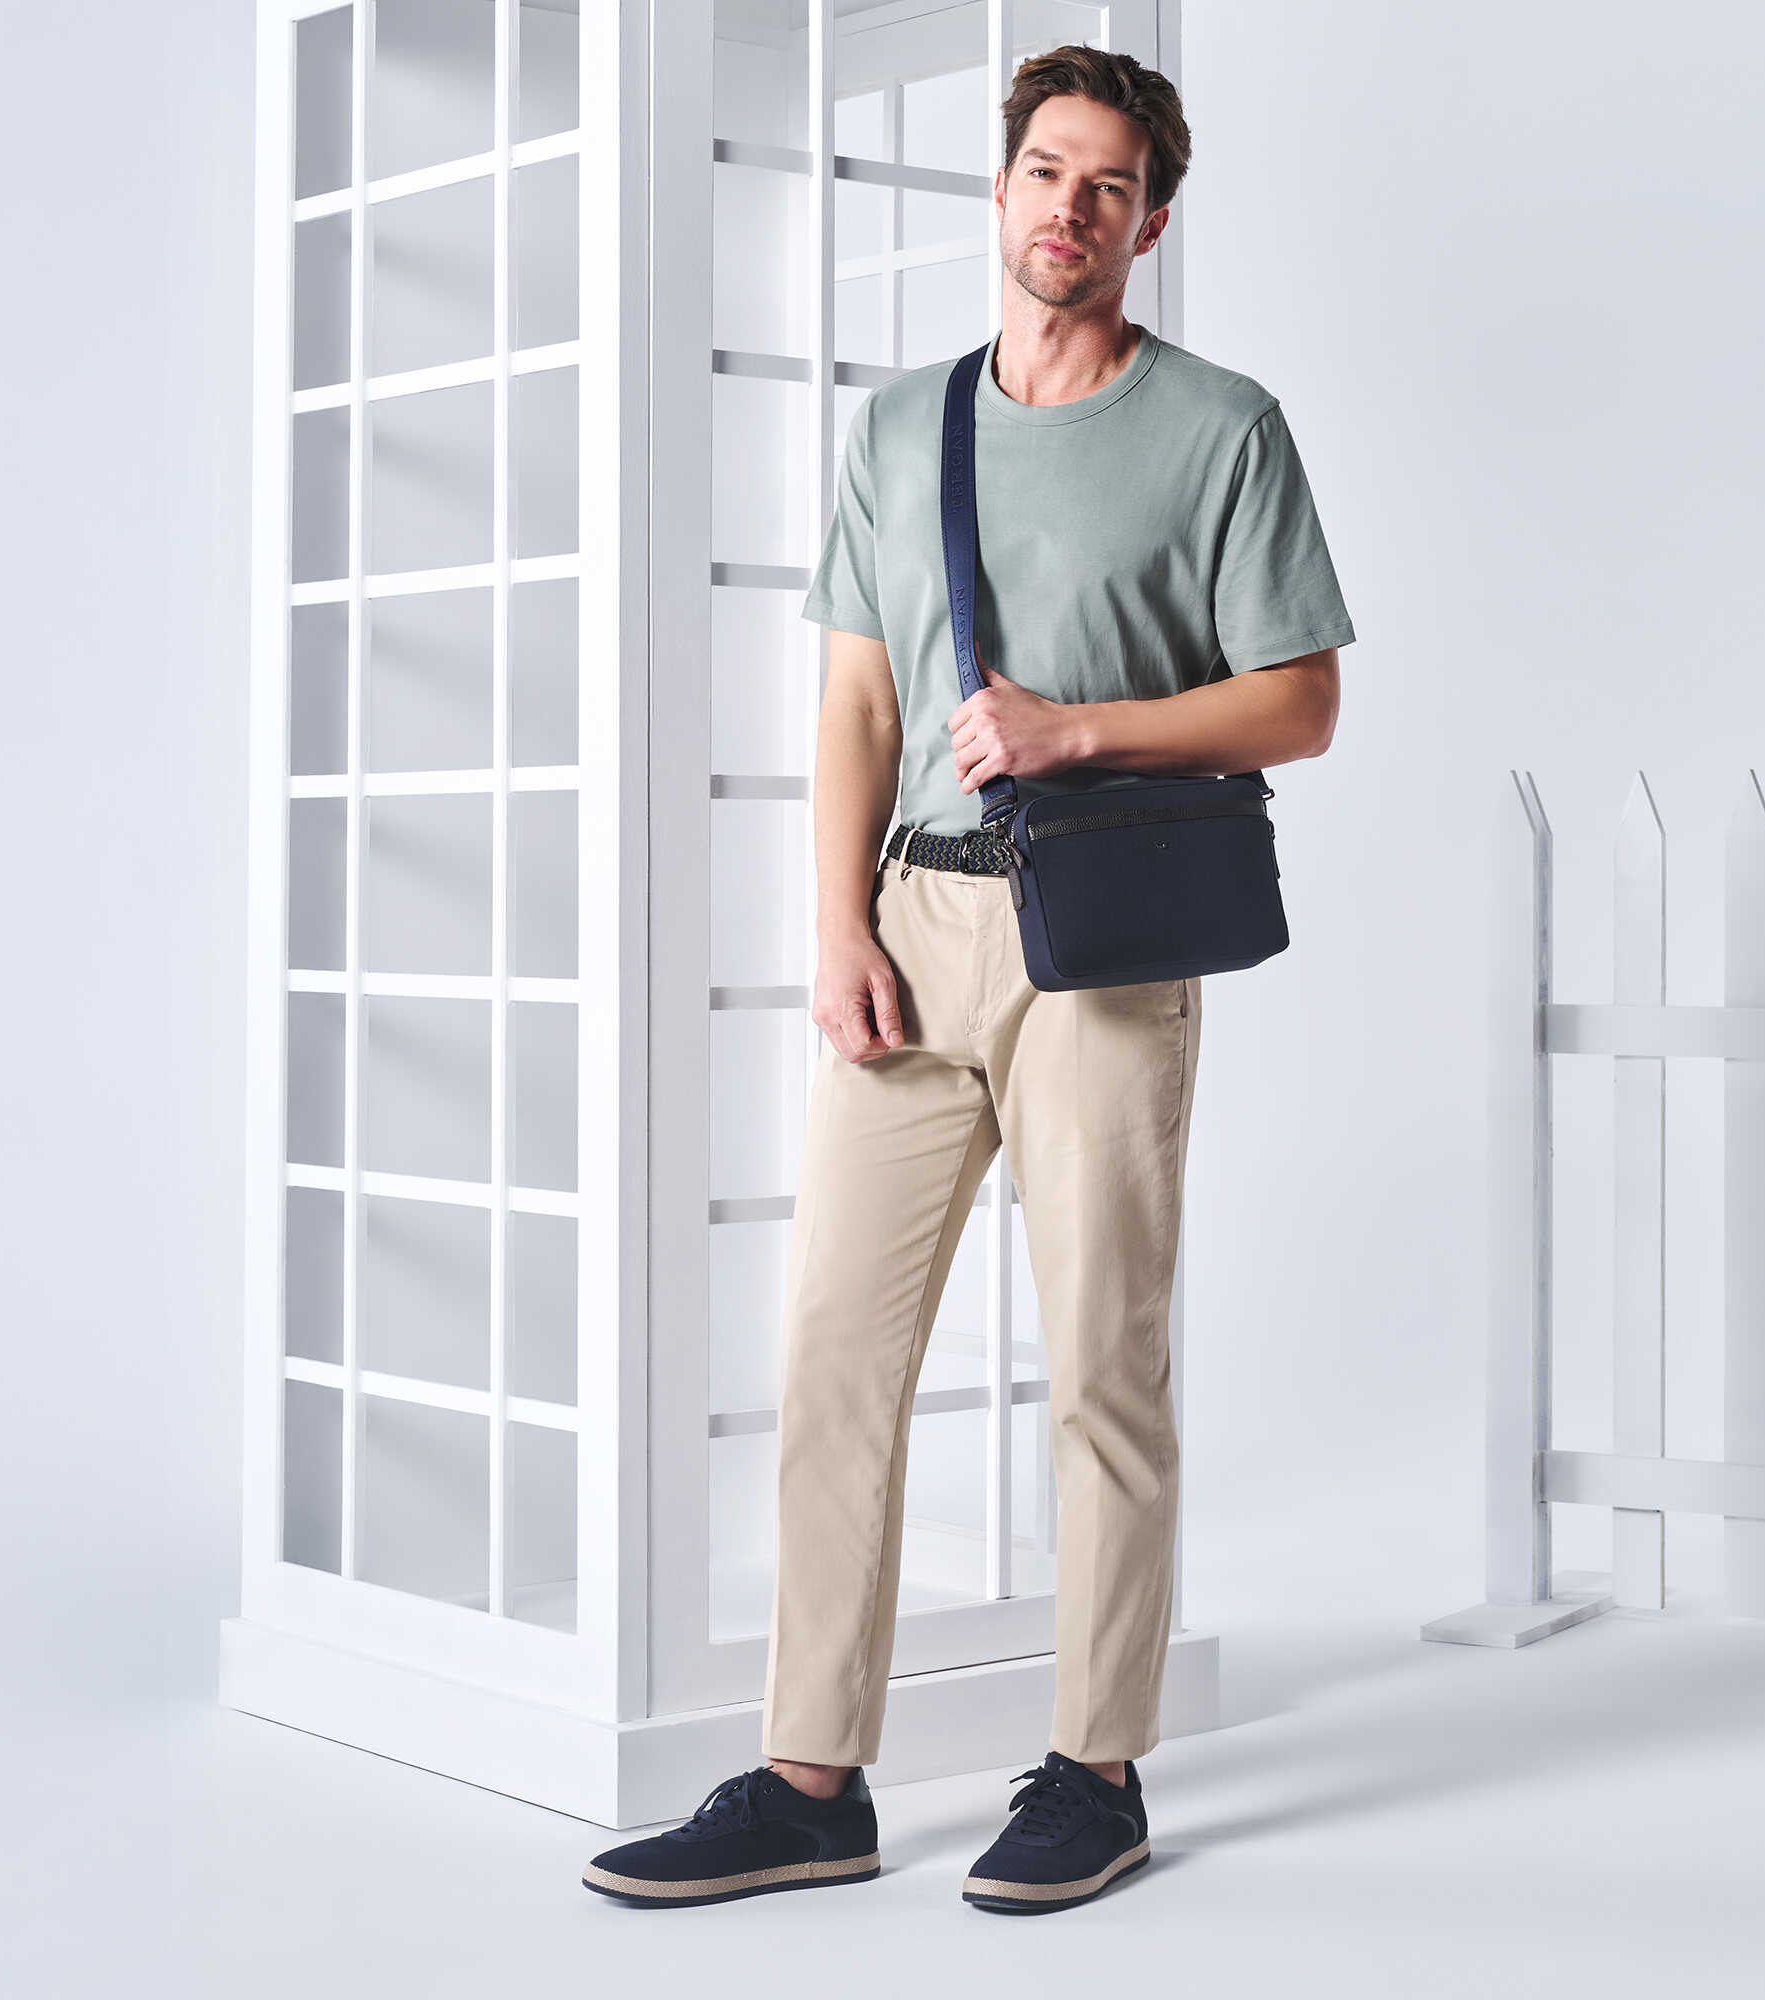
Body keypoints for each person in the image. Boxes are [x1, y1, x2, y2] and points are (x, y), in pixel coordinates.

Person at [584, 42, 1353, 1916]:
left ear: (1148, 225)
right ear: (1000, 190)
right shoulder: (899, 429)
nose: (1068, 208)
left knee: (1103, 1359)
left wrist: (1078, 731)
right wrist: (836, 926)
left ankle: (1098, 1768)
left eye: (1108, 186)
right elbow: (858, 700)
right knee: (834, 1354)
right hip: (914, 928)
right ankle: (809, 1781)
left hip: (1108, 939)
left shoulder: (1222, 428)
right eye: (1044, 171)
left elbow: (1301, 702)